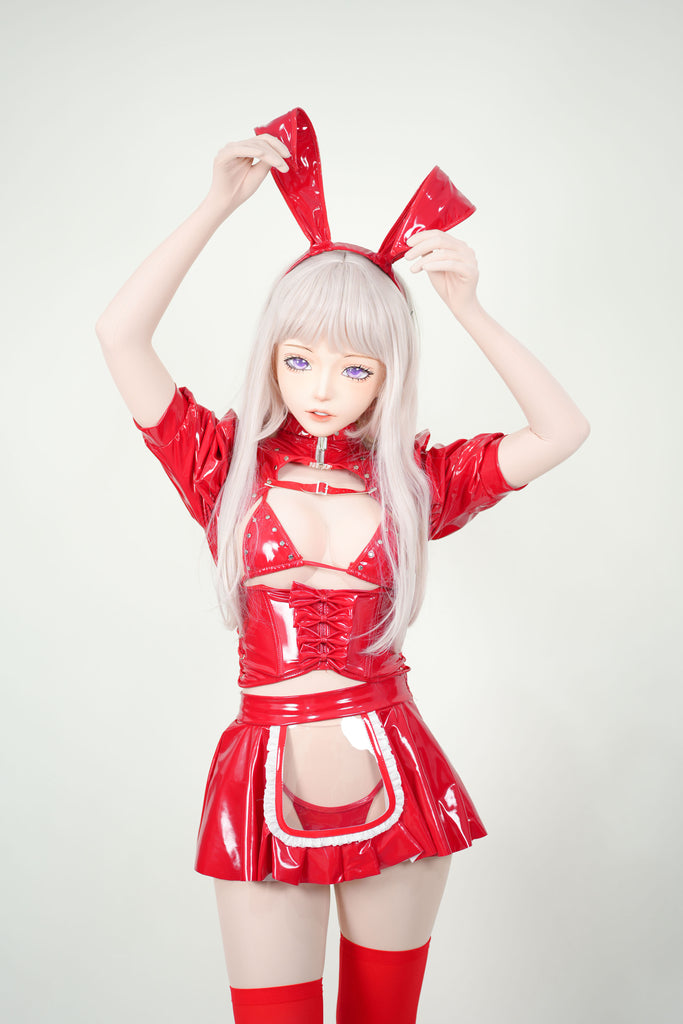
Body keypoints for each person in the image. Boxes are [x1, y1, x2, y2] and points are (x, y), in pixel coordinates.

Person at [96, 109, 589, 1024]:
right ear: (271, 358)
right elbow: (120, 336)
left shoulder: (415, 481)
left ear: (389, 374)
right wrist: (216, 206)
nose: (322, 388)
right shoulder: (222, 467)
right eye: (299, 359)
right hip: (260, 785)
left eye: (356, 369)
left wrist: (467, 309)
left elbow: (560, 430)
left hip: (396, 776)